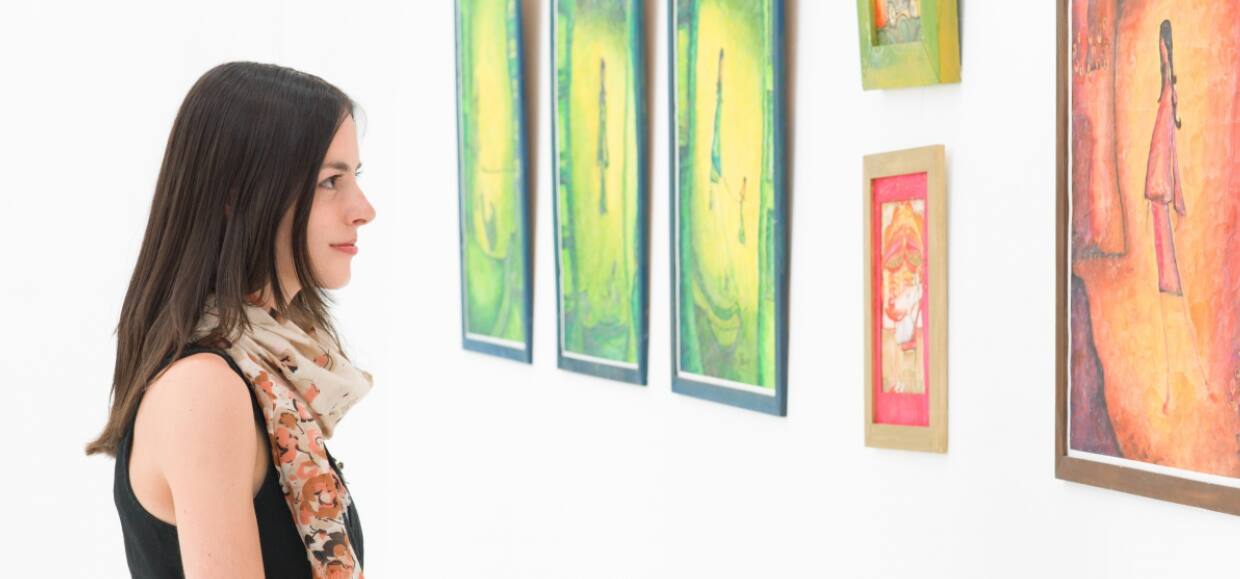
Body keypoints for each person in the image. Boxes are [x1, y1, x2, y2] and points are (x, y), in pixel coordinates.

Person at [84, 61, 376, 578]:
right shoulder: (205, 388)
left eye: (356, 176)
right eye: (330, 181)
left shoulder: (263, 371)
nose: (364, 209)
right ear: (236, 195)